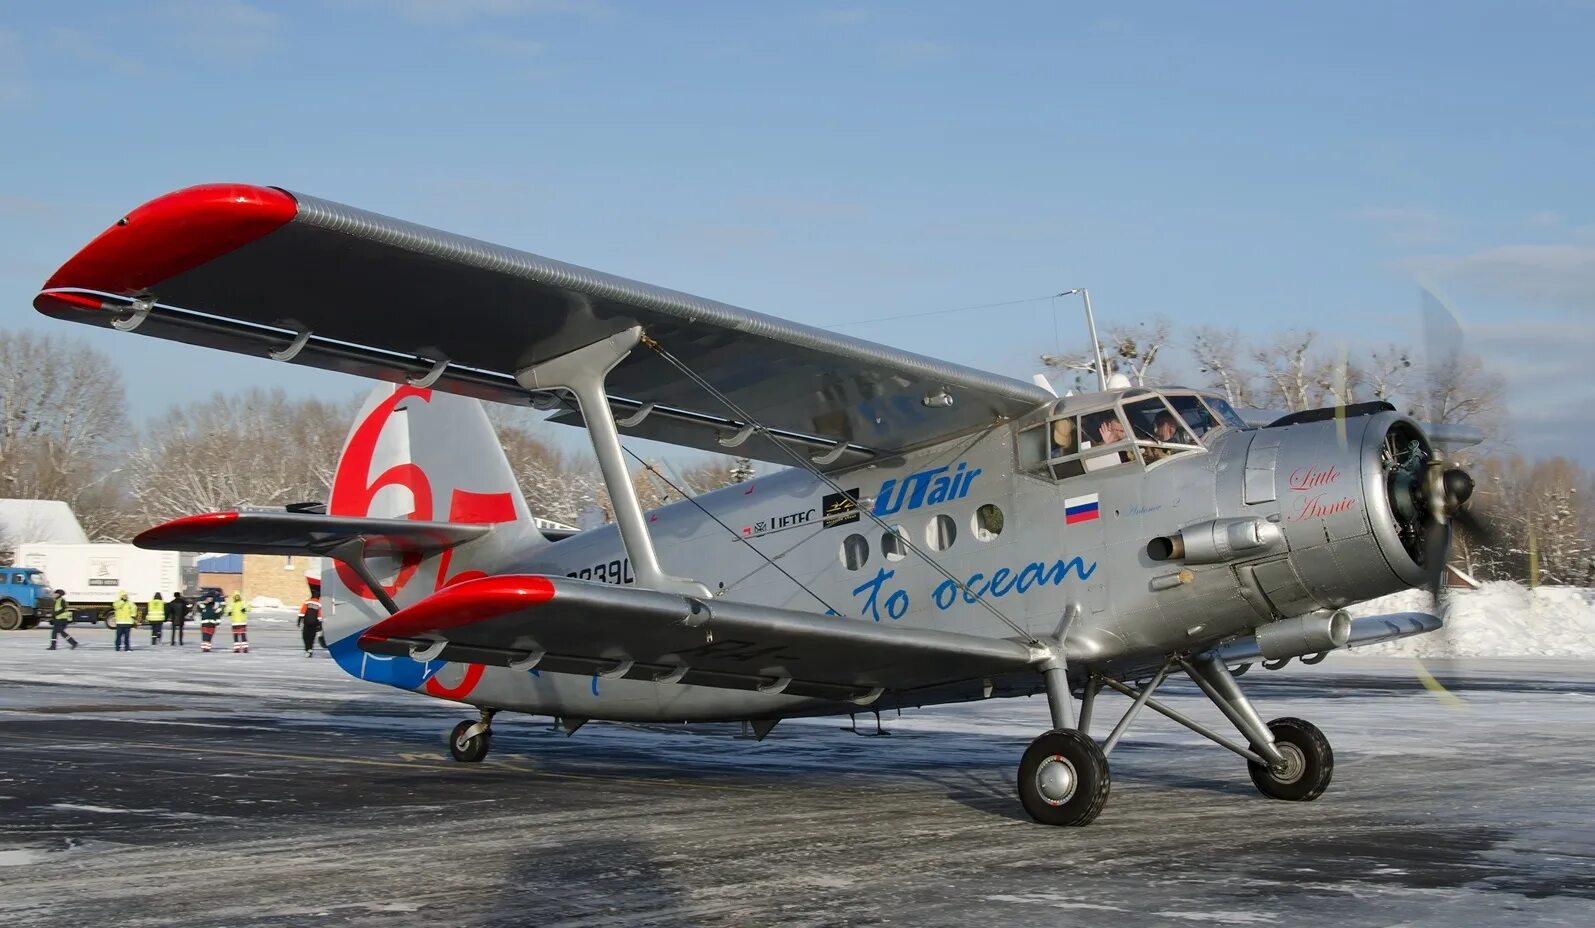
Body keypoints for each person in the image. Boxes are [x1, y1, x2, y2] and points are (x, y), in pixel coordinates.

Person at [297, 579, 323, 657]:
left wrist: (299, 621)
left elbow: (302, 612)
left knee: (305, 636)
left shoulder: (307, 602)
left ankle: (307, 649)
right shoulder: (319, 604)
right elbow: (319, 615)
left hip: (306, 622)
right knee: (312, 636)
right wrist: (320, 625)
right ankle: (310, 649)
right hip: (314, 623)